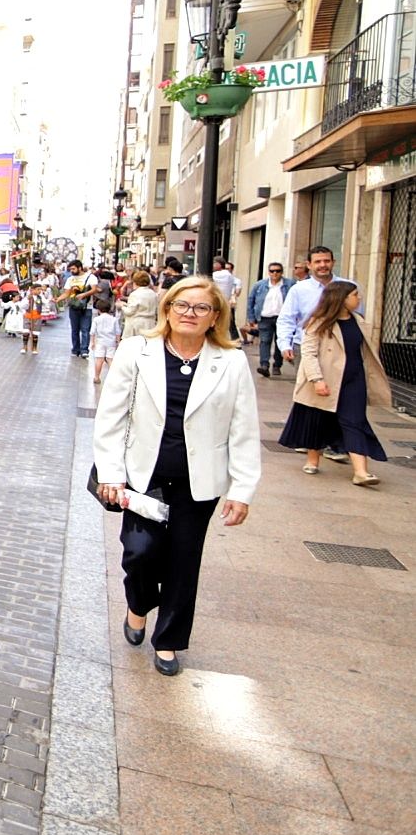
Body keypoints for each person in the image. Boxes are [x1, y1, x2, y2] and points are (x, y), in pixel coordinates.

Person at [92, 276, 260, 677]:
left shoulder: (231, 360)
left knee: (185, 561)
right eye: (182, 305)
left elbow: (244, 429)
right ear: (167, 309)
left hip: (198, 480)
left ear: (215, 317)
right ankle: (137, 605)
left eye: (201, 308)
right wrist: (112, 473)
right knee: (140, 553)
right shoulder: (138, 351)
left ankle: (168, 641)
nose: (190, 313)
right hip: (142, 475)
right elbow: (111, 417)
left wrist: (242, 490)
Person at [279, 281, 391, 486]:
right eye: (355, 295)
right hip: (327, 378)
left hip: (354, 379)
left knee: (355, 421)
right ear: (342, 298)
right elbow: (309, 353)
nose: (359, 299)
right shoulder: (318, 322)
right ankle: (313, 459)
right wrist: (316, 379)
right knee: (318, 418)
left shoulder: (359, 321)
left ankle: (361, 472)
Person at [246, 261, 291, 378]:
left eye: (278, 271)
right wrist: (251, 318)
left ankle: (277, 365)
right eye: (272, 271)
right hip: (265, 318)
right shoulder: (260, 285)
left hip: (282, 319)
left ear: (282, 272)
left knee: (279, 342)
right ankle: (264, 365)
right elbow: (251, 301)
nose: (275, 273)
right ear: (268, 272)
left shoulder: (290, 284)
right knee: (265, 341)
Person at [62, 260, 98, 358]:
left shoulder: (91, 277)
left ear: (80, 268)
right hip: (74, 306)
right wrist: (58, 299)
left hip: (87, 306)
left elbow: (94, 289)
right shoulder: (70, 279)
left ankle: (84, 350)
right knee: (75, 329)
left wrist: (84, 294)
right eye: (70, 269)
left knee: (85, 329)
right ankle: (75, 349)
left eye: (73, 269)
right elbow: (67, 292)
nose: (72, 271)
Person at [120, 270, 158, 340]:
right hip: (150, 324)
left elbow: (130, 311)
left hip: (137, 325)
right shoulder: (153, 294)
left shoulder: (135, 294)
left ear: (135, 282)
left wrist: (122, 306)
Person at [91, 297, 120, 384]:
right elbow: (118, 332)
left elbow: (92, 332)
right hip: (111, 342)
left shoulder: (96, 319)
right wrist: (118, 341)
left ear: (99, 310)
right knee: (110, 359)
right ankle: (114, 378)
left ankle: (96, 377)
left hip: (100, 342)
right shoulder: (114, 319)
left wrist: (92, 342)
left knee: (99, 360)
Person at [211, 258, 242, 341]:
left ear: (219, 264)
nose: (213, 265)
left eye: (214, 263)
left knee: (216, 324)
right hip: (225, 302)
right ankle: (236, 342)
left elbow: (204, 277)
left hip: (219, 303)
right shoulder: (229, 275)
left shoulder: (220, 274)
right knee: (230, 325)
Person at [22, 282, 55, 354]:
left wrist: (50, 300)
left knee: (35, 333)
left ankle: (34, 348)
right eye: (38, 289)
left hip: (37, 317)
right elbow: (23, 306)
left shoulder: (40, 297)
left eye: (40, 289)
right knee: (26, 332)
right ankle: (25, 346)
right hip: (28, 316)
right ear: (32, 290)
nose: (40, 291)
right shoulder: (27, 297)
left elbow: (46, 303)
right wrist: (27, 300)